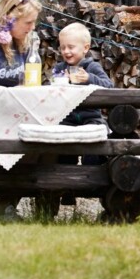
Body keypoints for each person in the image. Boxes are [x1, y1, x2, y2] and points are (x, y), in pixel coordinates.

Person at [0, 0, 42, 220]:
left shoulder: (24, 46)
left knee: (47, 138)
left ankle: (41, 208)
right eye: (28, 23)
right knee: (33, 141)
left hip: (16, 115)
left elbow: (30, 86)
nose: (31, 28)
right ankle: (5, 206)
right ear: (9, 18)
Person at [52, 22, 113, 172]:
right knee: (63, 149)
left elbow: (109, 86)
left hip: (91, 117)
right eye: (62, 47)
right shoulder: (60, 68)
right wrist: (59, 82)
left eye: (71, 47)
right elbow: (51, 90)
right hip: (67, 118)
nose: (66, 51)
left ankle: (91, 179)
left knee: (93, 146)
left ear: (85, 48)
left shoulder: (92, 67)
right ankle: (66, 186)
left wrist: (89, 79)